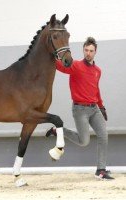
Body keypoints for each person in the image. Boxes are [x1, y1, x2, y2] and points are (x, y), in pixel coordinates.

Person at [46, 37, 114, 180]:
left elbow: (96, 90)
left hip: (94, 109)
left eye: (91, 51)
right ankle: (58, 130)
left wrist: (101, 106)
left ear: (95, 52)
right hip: (80, 110)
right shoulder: (75, 66)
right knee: (84, 142)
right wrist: (51, 54)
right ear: (83, 50)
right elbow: (59, 65)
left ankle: (100, 170)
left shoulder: (97, 71)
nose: (88, 53)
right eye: (86, 50)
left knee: (104, 135)